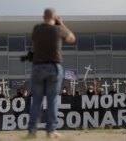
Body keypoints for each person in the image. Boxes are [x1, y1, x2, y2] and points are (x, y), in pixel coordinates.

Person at [27, 8, 75, 138]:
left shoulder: (36, 29)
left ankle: (32, 130)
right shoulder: (58, 29)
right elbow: (71, 39)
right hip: (53, 66)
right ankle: (51, 131)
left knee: (36, 100)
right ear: (55, 18)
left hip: (38, 67)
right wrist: (61, 24)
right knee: (52, 99)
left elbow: (34, 42)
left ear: (43, 17)